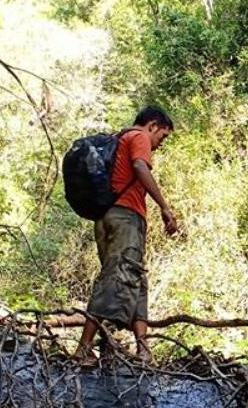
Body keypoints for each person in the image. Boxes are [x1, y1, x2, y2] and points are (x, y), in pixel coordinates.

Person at [73, 106, 181, 366]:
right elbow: (140, 166)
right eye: (162, 137)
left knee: (135, 278)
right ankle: (83, 349)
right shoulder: (139, 137)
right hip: (125, 217)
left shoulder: (120, 139)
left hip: (106, 218)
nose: (160, 144)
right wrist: (164, 207)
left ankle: (143, 350)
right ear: (153, 125)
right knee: (115, 280)